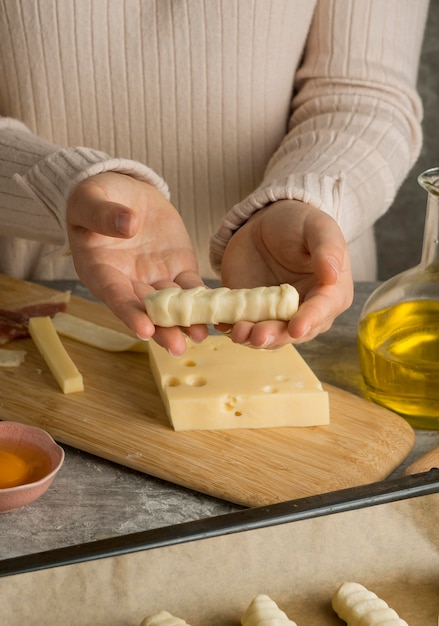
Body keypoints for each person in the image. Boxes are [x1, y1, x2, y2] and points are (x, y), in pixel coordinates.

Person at [0, 0, 429, 355]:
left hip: (300, 282)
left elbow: (366, 95)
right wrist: (60, 186)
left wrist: (306, 195)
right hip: (36, 303)